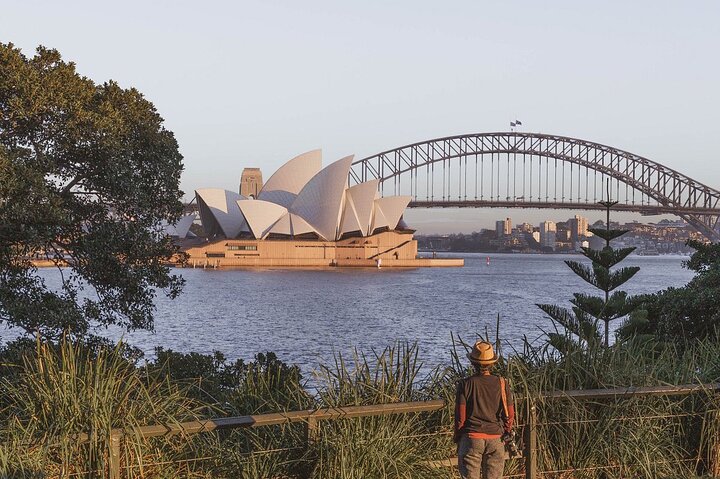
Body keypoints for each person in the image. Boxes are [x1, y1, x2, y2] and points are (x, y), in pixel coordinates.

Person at [454, 340, 515, 479]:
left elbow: (460, 418)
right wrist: (505, 430)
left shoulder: (465, 384)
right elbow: (510, 414)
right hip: (496, 438)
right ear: (492, 363)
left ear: (473, 363)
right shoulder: (502, 383)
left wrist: (457, 437)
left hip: (472, 438)